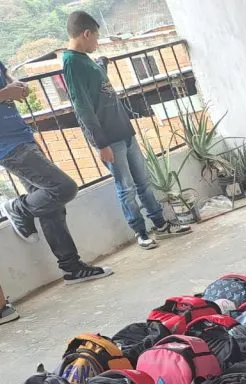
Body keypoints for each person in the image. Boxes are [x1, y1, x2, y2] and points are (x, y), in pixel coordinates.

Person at [63, 11, 191, 250]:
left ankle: (160, 224)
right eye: (96, 37)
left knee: (143, 182)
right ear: (86, 33)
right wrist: (100, 144)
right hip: (110, 139)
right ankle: (140, 232)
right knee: (126, 188)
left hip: (124, 130)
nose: (97, 42)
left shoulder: (86, 59)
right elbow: (83, 107)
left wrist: (102, 64)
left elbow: (99, 88)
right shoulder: (72, 63)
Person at [0, 60, 112, 286]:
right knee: (64, 188)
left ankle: (72, 269)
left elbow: (8, 80)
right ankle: (18, 207)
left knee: (51, 207)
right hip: (8, 146)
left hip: (22, 136)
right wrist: (4, 93)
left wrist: (18, 85)